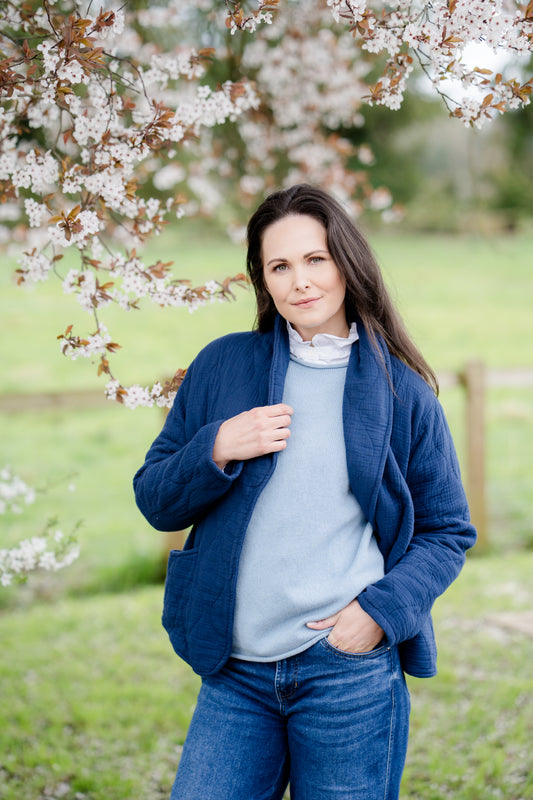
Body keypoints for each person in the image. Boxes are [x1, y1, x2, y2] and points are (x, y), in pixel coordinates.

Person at [133, 183, 476, 800]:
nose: (301, 282)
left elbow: (447, 531)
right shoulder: (223, 366)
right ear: (263, 281)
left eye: (316, 259)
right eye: (280, 266)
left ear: (347, 262)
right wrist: (217, 447)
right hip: (235, 672)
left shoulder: (403, 394)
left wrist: (377, 616)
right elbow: (156, 500)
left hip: (346, 673)